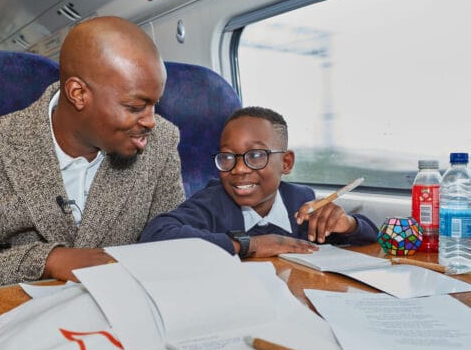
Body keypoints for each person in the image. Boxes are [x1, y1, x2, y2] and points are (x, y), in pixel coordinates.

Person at [0, 16, 185, 350]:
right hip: (10, 336)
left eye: (154, 105)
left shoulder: (161, 144)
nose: (151, 121)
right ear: (78, 93)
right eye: (135, 107)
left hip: (126, 338)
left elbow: (170, 244)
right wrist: (46, 259)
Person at [140, 106, 378, 258]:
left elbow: (372, 238)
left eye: (255, 156)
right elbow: (157, 234)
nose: (239, 168)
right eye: (227, 157)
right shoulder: (213, 202)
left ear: (285, 163)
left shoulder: (302, 201)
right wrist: (249, 244)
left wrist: (348, 224)